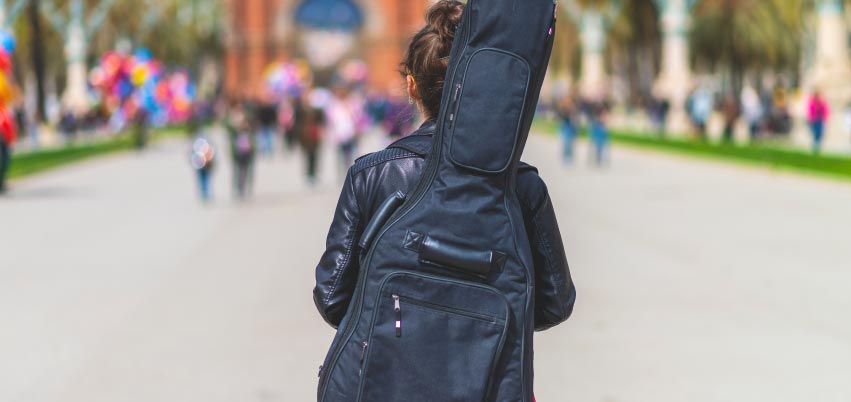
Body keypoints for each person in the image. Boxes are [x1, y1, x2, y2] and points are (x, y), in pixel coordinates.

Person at [312, 1, 575, 399]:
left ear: (412, 86)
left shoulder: (372, 174)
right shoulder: (522, 187)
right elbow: (555, 303)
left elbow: (332, 298)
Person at [188, 116, 216, 202]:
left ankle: (204, 192)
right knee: (206, 177)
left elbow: (191, 151)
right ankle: (205, 192)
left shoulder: (195, 138)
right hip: (206, 162)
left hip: (200, 162)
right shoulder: (207, 137)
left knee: (202, 178)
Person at [555, 93, 577, 164]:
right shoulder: (563, 108)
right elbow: (560, 116)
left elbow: (574, 119)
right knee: (565, 143)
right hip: (565, 127)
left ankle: (568, 157)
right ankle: (565, 157)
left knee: (569, 143)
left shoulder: (572, 108)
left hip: (570, 128)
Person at [807, 89, 830, 154]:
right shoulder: (812, 102)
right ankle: (815, 146)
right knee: (815, 133)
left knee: (820, 133)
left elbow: (825, 111)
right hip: (814, 120)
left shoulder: (822, 103)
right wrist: (811, 118)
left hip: (820, 120)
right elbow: (810, 111)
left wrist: (825, 118)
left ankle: (817, 146)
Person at [0, 106, 16, 194]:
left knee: (5, 161)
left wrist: (11, 139)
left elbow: (9, 125)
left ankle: (1, 183)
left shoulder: (4, 112)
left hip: (5, 140)